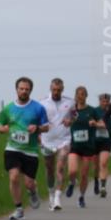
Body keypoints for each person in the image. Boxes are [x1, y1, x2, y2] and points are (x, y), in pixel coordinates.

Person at [0, 78, 49, 220]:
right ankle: (19, 209)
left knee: (29, 183)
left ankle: (32, 191)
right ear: (17, 89)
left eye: (27, 89)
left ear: (30, 90)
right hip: (12, 148)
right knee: (13, 177)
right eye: (21, 88)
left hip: (30, 151)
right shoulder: (8, 108)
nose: (24, 91)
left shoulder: (38, 108)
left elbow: (46, 126)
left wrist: (37, 128)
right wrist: (3, 128)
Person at [39, 78, 74, 211]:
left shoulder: (70, 102)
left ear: (62, 89)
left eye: (59, 90)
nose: (56, 92)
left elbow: (75, 114)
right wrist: (38, 134)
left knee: (60, 167)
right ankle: (51, 194)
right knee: (49, 170)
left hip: (64, 139)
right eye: (54, 89)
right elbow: (37, 120)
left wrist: (70, 119)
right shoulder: (42, 102)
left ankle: (58, 198)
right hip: (47, 140)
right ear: (50, 88)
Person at [65, 86, 97, 208]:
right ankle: (72, 182)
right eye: (78, 94)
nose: (80, 96)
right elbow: (66, 121)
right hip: (75, 145)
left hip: (88, 147)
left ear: (86, 96)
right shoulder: (72, 111)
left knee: (84, 175)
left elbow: (102, 124)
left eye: (83, 94)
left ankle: (81, 197)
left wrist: (95, 123)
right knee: (72, 171)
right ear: (76, 96)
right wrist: (67, 122)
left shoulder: (92, 111)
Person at [91, 93, 111, 197]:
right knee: (96, 166)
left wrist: (98, 124)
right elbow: (91, 122)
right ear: (99, 101)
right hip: (95, 140)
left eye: (107, 101)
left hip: (106, 141)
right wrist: (98, 124)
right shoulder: (95, 111)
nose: (105, 103)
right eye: (103, 101)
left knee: (103, 163)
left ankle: (103, 186)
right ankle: (96, 181)